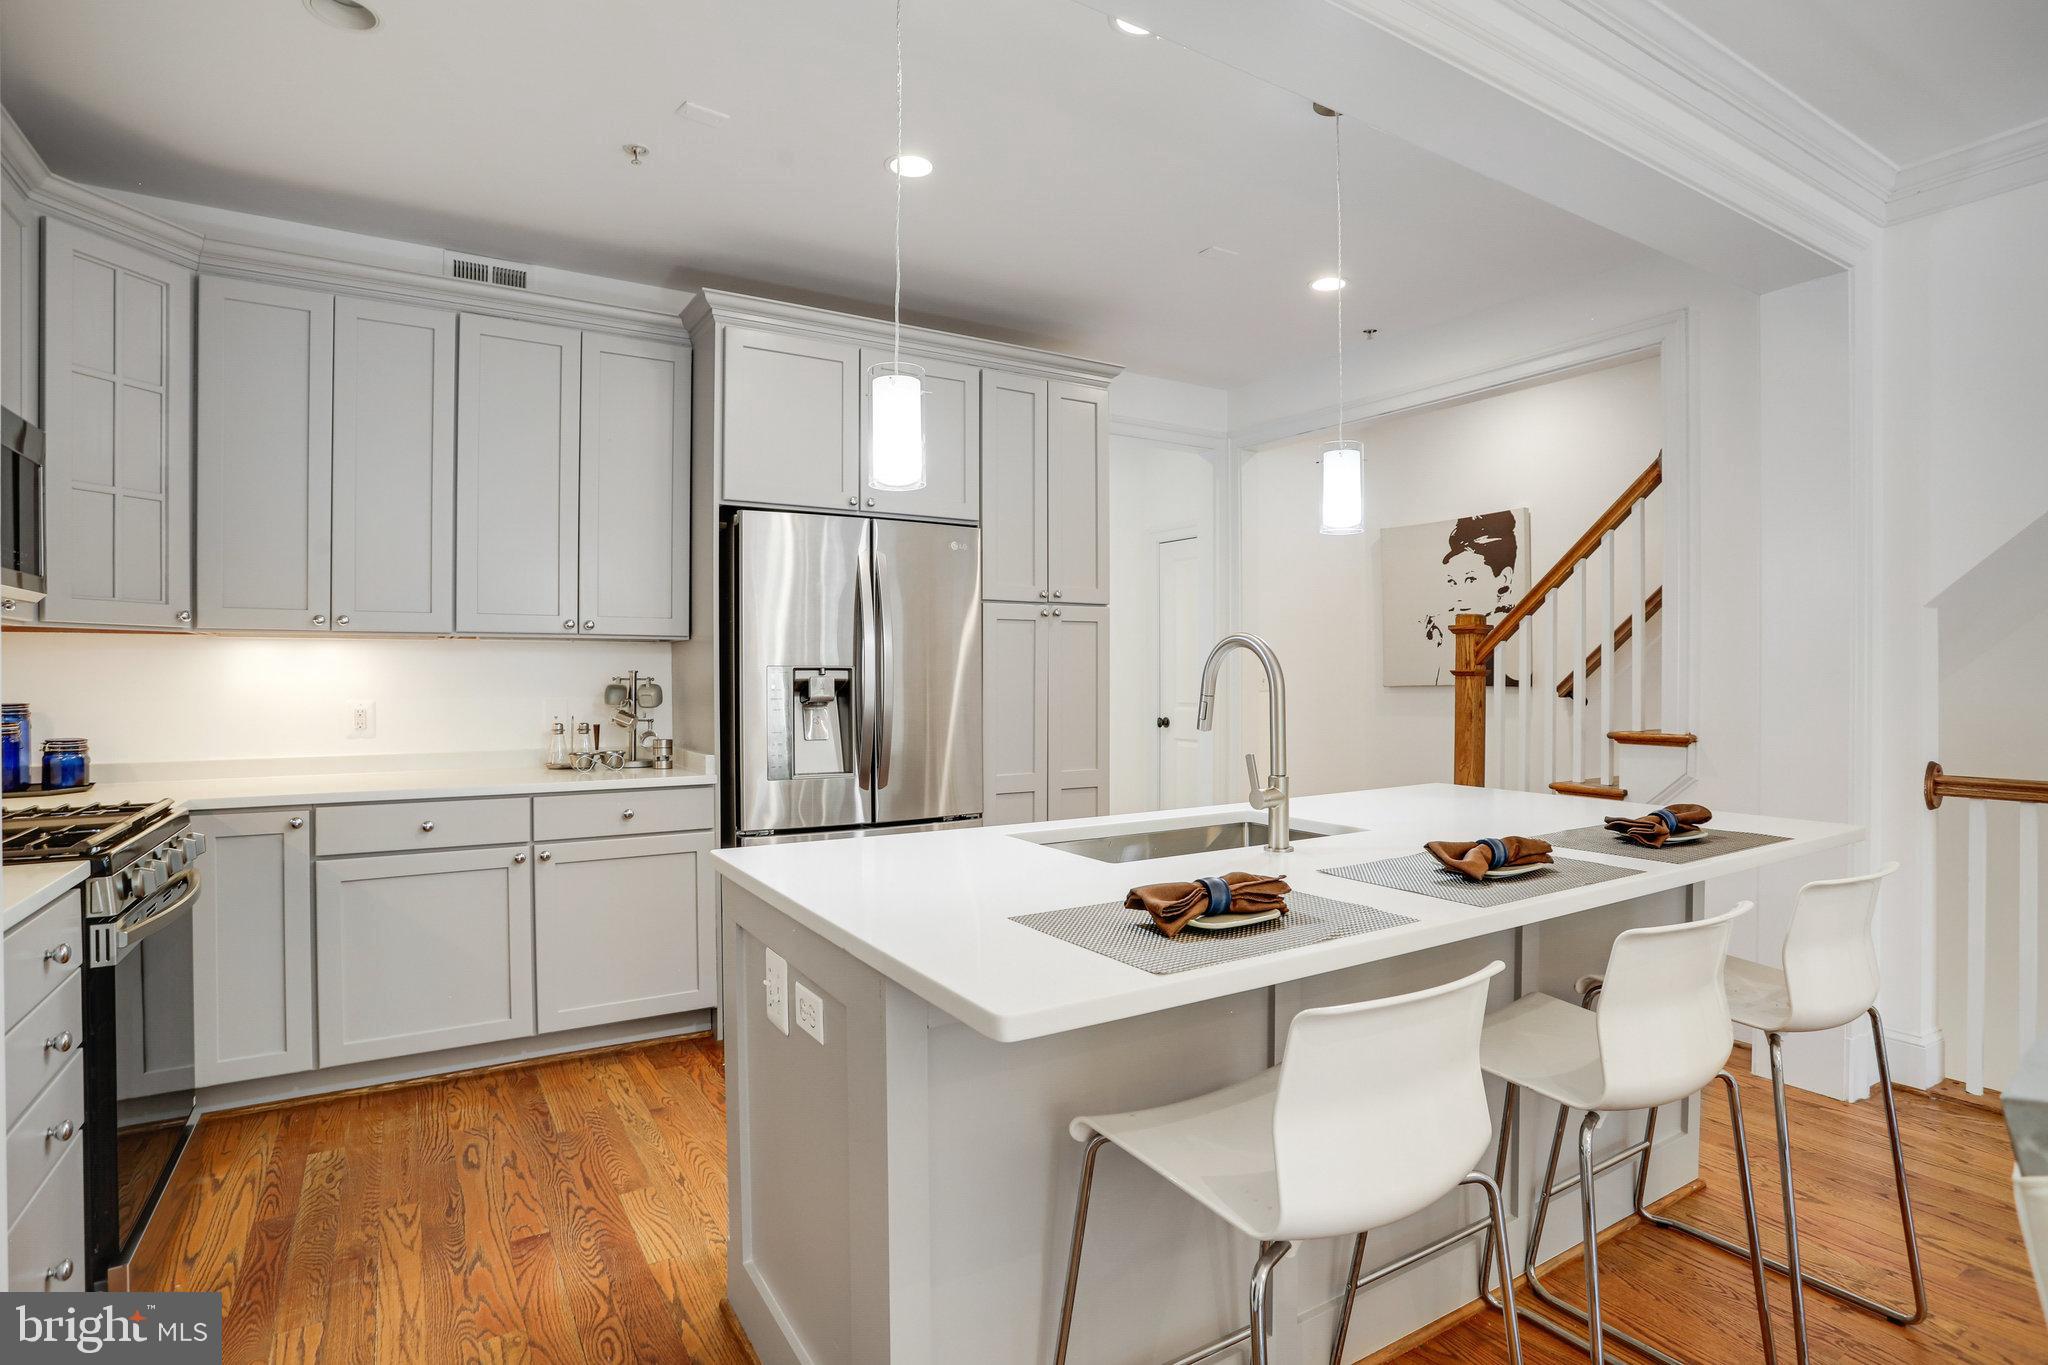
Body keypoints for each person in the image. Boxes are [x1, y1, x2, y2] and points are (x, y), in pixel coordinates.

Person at [1419, 511, 1519, 684]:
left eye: (1470, 579)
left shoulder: (1511, 641)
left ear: (1504, 579)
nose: (1458, 595)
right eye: (1452, 582)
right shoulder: (1446, 633)